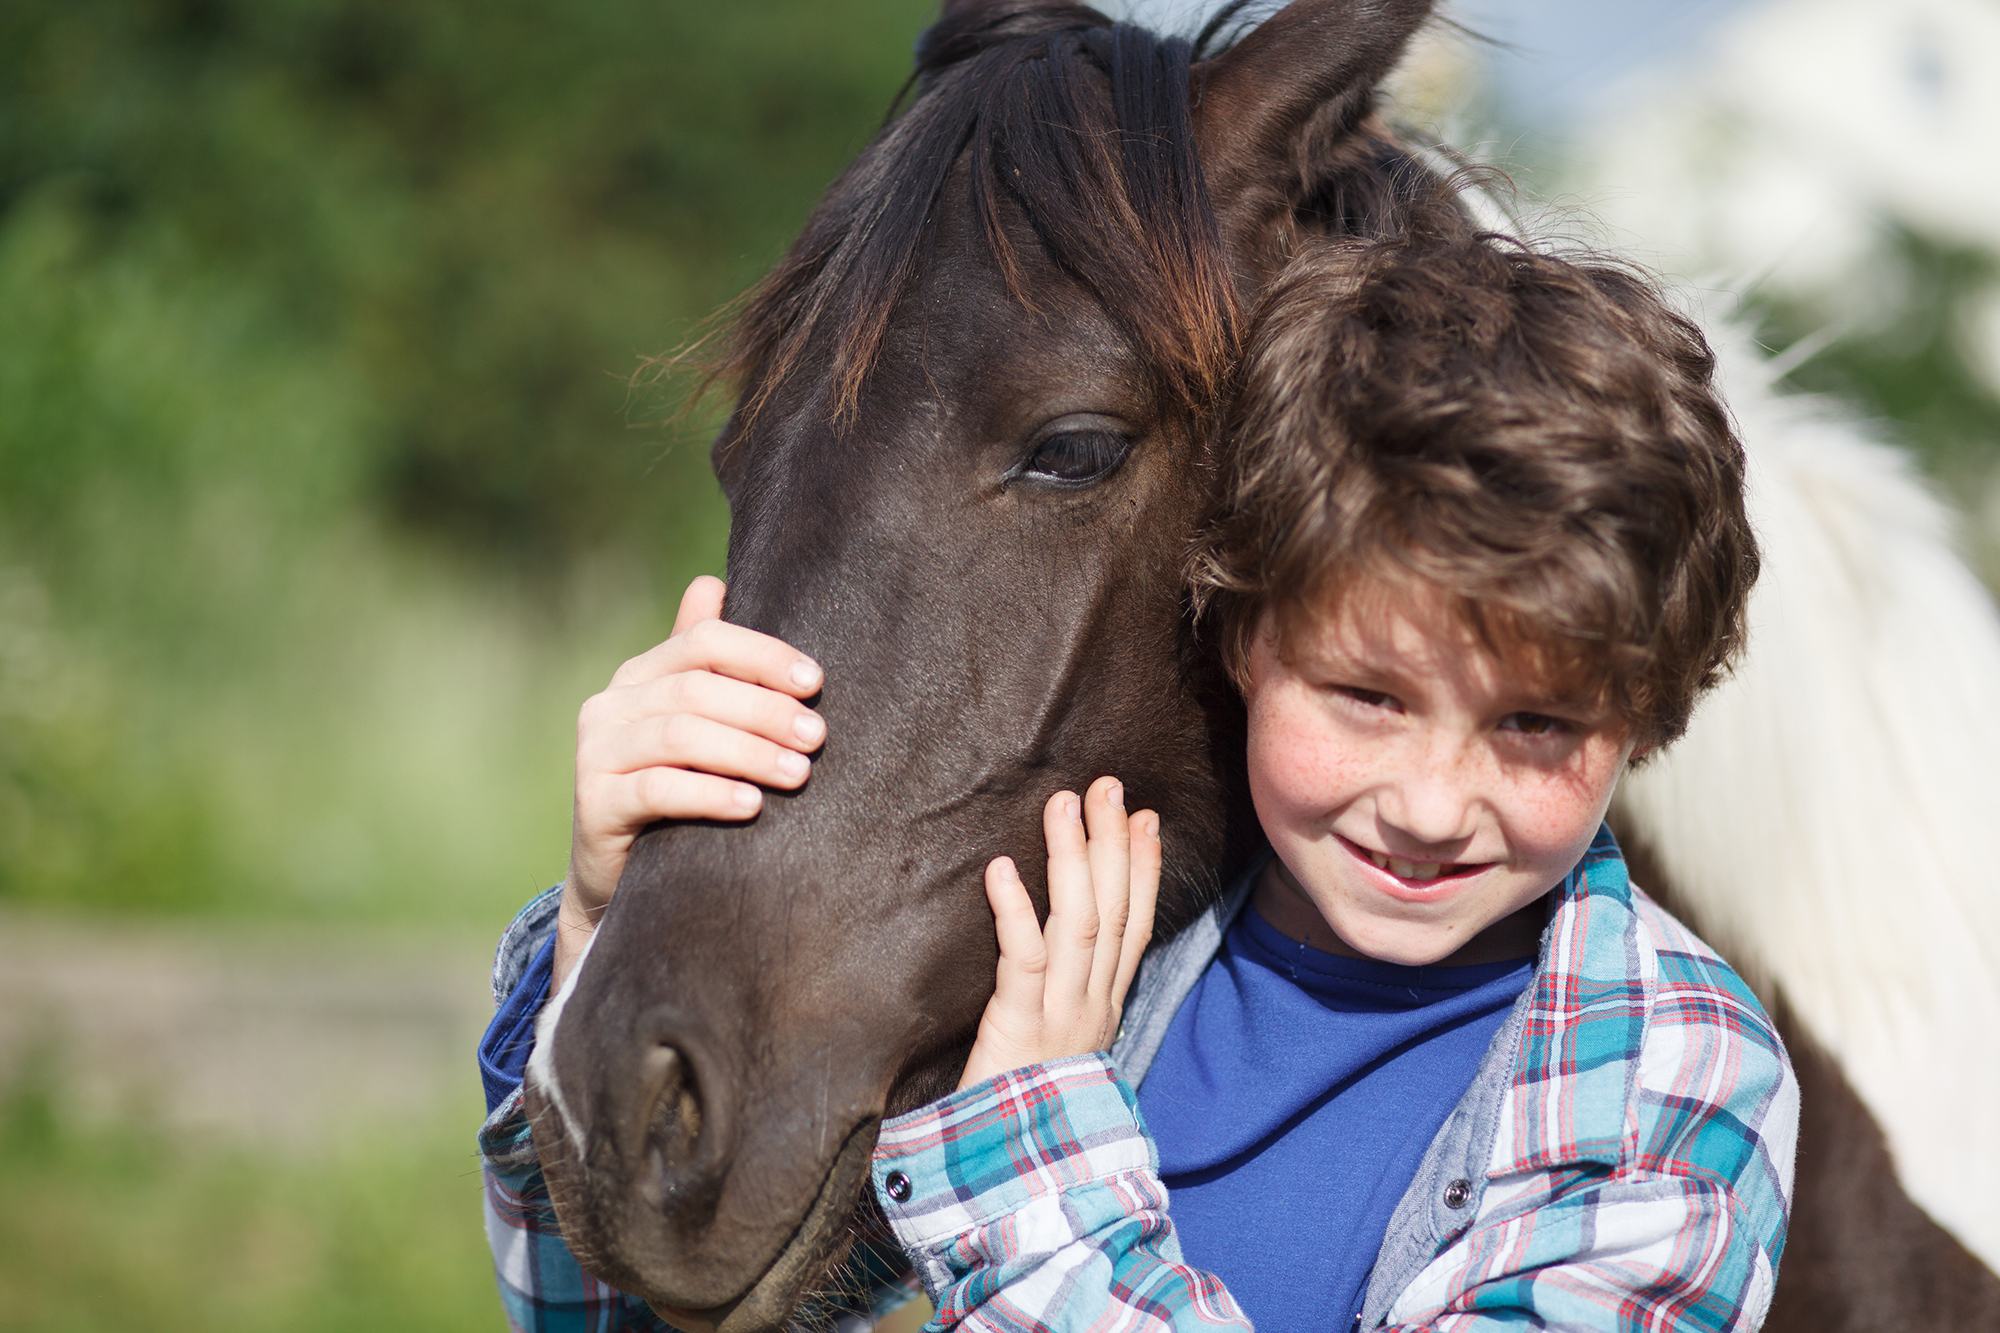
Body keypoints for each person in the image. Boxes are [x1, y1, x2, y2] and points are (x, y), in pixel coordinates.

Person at [478, 229, 1796, 1332]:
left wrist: (1034, 1155)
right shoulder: (1094, 971)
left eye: (1537, 724)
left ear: (1642, 716)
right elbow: (650, 1298)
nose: (1434, 801)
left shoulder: (1667, 1078)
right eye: (1367, 698)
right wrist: (607, 938)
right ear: (1241, 633)